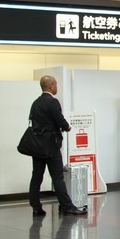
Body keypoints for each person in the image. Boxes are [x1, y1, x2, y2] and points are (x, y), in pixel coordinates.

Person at [28, 76, 87, 216]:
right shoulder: (53, 102)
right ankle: (67, 206)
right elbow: (60, 120)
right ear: (51, 86)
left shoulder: (35, 103)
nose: (57, 87)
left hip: (37, 146)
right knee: (57, 177)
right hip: (51, 146)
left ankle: (36, 207)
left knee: (36, 176)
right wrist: (67, 127)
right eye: (56, 84)